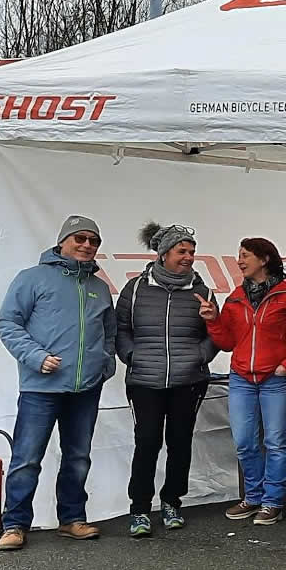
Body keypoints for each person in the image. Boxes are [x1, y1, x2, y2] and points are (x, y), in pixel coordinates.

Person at [0, 215, 117, 551]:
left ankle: (72, 519)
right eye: (80, 238)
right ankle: (15, 524)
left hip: (86, 389)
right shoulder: (32, 279)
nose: (87, 245)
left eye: (93, 241)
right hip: (40, 388)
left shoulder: (99, 287)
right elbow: (7, 323)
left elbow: (109, 333)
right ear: (63, 241)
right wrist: (35, 357)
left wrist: (105, 364)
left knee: (78, 457)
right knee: (27, 458)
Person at [200, 238, 286, 526]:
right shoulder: (235, 298)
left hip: (276, 380)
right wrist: (213, 320)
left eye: (245, 255)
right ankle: (253, 496)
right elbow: (227, 343)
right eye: (239, 255)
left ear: (264, 259)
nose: (239, 261)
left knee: (276, 442)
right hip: (241, 378)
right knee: (244, 442)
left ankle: (272, 501)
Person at [116, 222, 219, 537]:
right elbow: (120, 329)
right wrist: (132, 356)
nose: (188, 257)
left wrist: (200, 356)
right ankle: (140, 509)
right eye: (181, 251)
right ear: (163, 254)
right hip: (144, 380)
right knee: (147, 442)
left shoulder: (202, 290)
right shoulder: (135, 289)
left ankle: (172, 501)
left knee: (180, 442)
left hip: (188, 380)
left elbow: (214, 334)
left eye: (191, 251)